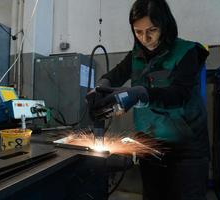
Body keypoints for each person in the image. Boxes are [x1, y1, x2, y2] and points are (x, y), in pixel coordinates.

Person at [87, 0, 210, 199]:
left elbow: (179, 95)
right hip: (149, 147)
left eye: (152, 30)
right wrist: (99, 88)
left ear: (165, 25)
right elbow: (115, 74)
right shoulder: (135, 55)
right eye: (138, 32)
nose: (145, 38)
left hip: (187, 151)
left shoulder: (188, 52)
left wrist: (141, 95)